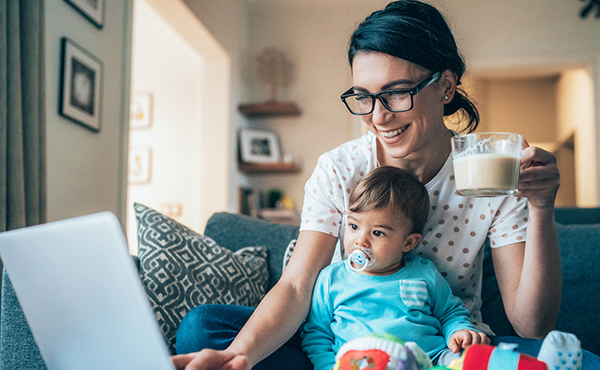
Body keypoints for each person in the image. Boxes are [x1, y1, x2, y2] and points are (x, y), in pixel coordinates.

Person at [172, 1, 597, 369]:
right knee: (204, 328)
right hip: (348, 352)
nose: (378, 117)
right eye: (364, 96)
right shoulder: (339, 168)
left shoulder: (492, 169)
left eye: (396, 93)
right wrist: (240, 355)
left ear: (446, 86)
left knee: (585, 360)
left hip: (446, 352)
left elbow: (532, 325)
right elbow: (299, 286)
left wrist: (541, 207)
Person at [301, 166, 490, 369]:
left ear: (408, 243)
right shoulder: (331, 279)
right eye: (354, 226)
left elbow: (449, 313)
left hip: (429, 359)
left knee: (471, 362)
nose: (360, 241)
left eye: (378, 233)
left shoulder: (424, 273)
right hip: (362, 364)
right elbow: (317, 335)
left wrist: (459, 331)